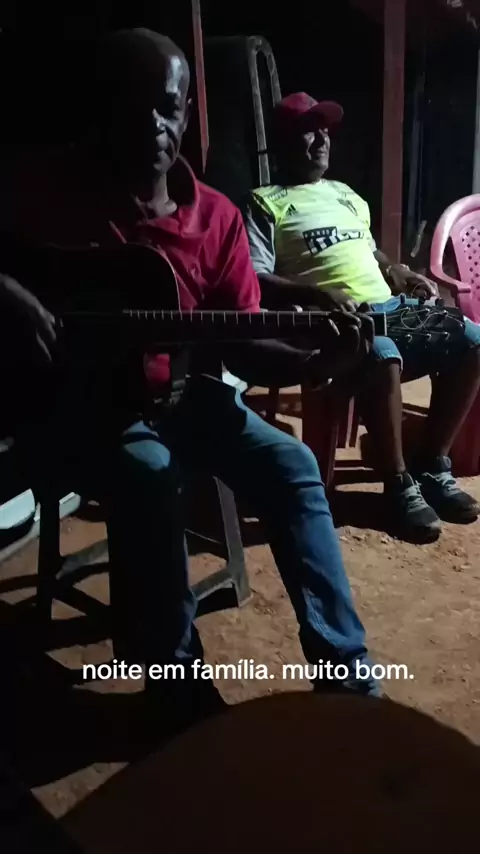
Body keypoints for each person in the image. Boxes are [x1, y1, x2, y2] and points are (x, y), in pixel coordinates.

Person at [0, 31, 382, 727]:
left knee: (294, 464)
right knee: (148, 473)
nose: (154, 124)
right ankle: (176, 691)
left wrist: (318, 363)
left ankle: (348, 680)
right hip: (74, 407)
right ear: (103, 109)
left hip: (182, 395)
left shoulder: (217, 217)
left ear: (184, 115)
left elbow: (245, 346)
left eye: (168, 107)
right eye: (134, 105)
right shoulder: (43, 189)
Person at [245, 92, 480, 542]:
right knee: (381, 350)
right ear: (283, 141)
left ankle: (432, 464)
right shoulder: (264, 202)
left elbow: (370, 252)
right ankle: (398, 484)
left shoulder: (345, 194)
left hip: (389, 309)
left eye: (325, 130)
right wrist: (317, 294)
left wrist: (400, 271)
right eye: (309, 131)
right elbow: (256, 276)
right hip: (331, 326)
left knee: (471, 340)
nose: (322, 140)